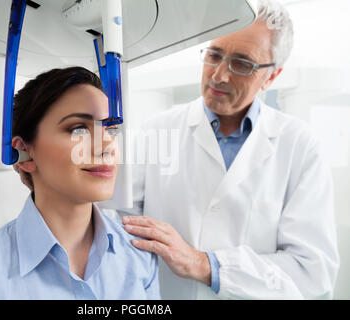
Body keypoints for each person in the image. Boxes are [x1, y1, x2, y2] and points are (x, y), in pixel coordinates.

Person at [117, 0, 340, 299]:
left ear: (271, 76)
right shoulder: (156, 131)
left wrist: (205, 264)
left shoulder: (300, 146)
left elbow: (312, 270)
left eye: (242, 64)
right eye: (214, 55)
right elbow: (118, 230)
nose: (219, 75)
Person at [0, 67, 160, 299]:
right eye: (78, 129)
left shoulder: (141, 257)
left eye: (111, 129)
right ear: (24, 153)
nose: (106, 145)